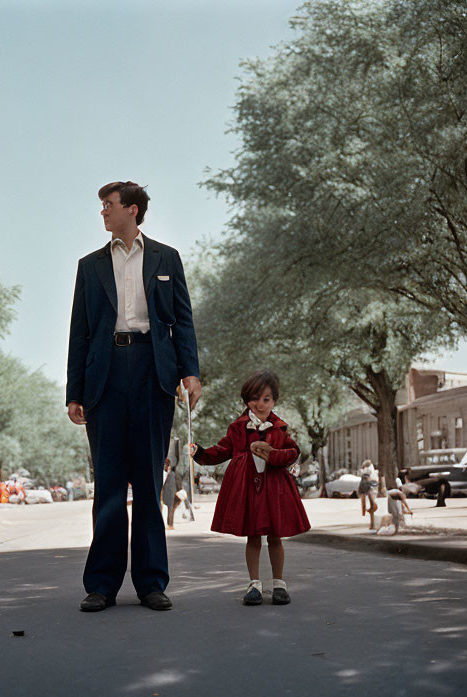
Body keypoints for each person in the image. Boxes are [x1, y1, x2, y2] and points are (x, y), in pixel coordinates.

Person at [67, 181, 201, 613]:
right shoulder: (89, 266)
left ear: (132, 209)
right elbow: (79, 332)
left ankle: (151, 583)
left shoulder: (167, 258)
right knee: (107, 484)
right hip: (104, 377)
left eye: (108, 205)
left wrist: (190, 372)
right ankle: (101, 584)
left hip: (152, 374)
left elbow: (182, 321)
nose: (102, 212)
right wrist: (75, 392)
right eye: (102, 206)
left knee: (147, 481)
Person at [190, 370, 310, 606]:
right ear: (246, 400)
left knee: (275, 536)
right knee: (253, 537)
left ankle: (279, 584)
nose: (260, 404)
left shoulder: (280, 428)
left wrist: (272, 454)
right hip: (247, 490)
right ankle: (254, 583)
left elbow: (293, 452)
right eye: (255, 398)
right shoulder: (238, 428)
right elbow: (222, 450)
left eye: (266, 399)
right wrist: (200, 453)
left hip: (274, 489)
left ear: (274, 400)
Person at [357, 459, 379, 529]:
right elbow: (373, 480)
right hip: (369, 486)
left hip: (364, 485)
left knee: (367, 504)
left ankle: (365, 512)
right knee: (372, 506)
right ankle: (372, 524)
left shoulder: (363, 471)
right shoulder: (371, 471)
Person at [162, 460, 183, 529]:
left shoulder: (174, 474)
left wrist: (180, 490)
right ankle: (169, 524)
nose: (165, 467)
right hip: (168, 495)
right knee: (170, 509)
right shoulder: (168, 474)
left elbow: (178, 483)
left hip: (173, 495)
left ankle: (170, 525)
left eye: (166, 465)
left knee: (171, 509)